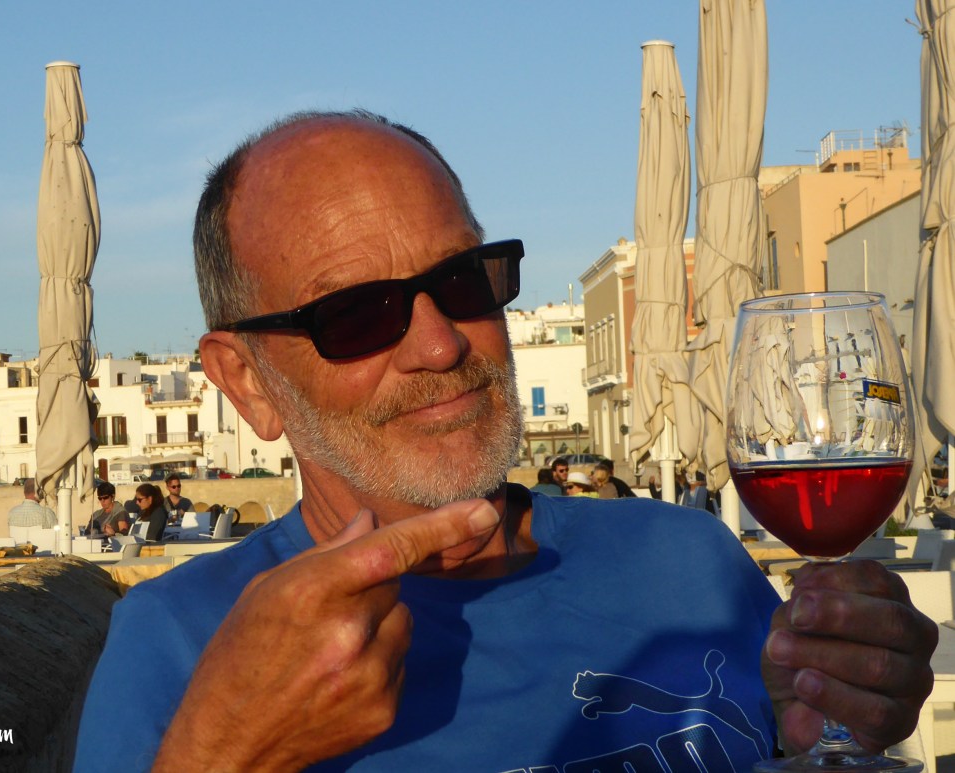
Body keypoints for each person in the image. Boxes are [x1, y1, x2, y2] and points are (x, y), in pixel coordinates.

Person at [74, 110, 936, 772]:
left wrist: (818, 715)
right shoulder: (184, 641)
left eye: (462, 279)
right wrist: (229, 752)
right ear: (247, 382)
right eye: (356, 314)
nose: (441, 343)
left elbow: (810, 734)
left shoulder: (688, 556)